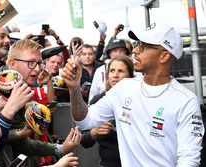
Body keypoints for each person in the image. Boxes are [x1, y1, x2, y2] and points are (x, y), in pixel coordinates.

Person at [61, 22, 205, 166]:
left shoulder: (186, 101)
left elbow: (189, 159)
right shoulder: (124, 87)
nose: (135, 50)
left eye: (144, 46)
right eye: (137, 44)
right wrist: (74, 90)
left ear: (164, 56)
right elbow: (85, 119)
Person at [81, 56, 134, 167]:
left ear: (130, 75)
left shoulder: (139, 100)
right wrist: (95, 132)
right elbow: (83, 141)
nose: (115, 75)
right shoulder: (98, 100)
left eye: (121, 71)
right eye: (112, 71)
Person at [88, 39, 130, 103]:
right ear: (109, 53)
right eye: (115, 51)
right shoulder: (100, 70)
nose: (118, 54)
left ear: (125, 53)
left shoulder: (133, 69)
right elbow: (93, 93)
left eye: (121, 51)